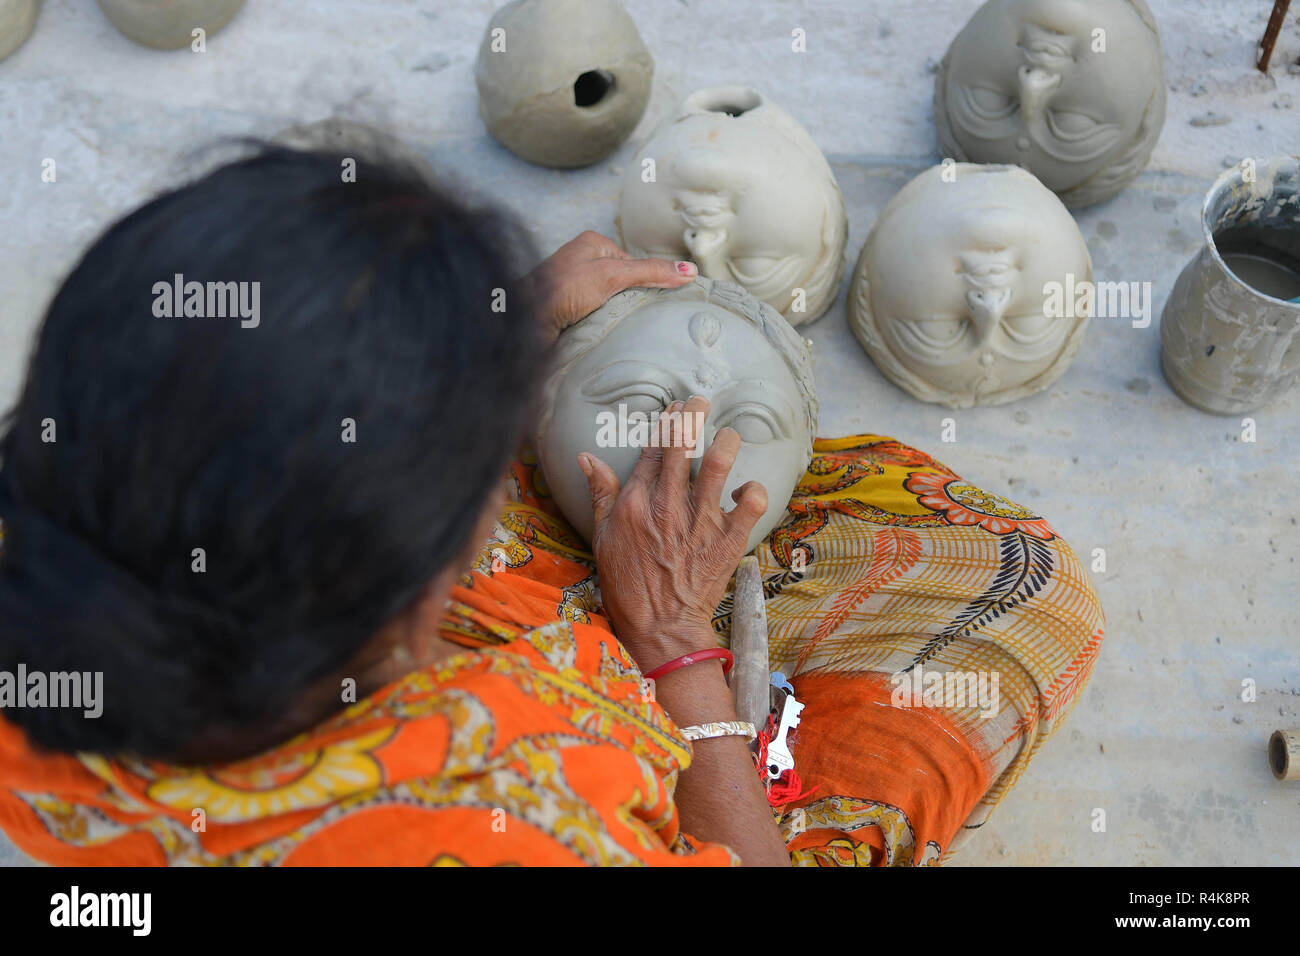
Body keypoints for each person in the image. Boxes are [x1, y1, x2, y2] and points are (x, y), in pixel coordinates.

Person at [0, 146, 1103, 866]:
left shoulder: (46, 511)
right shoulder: (525, 809)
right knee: (1022, 590)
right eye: (487, 467)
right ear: (426, 591)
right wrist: (673, 642)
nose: (692, 440)